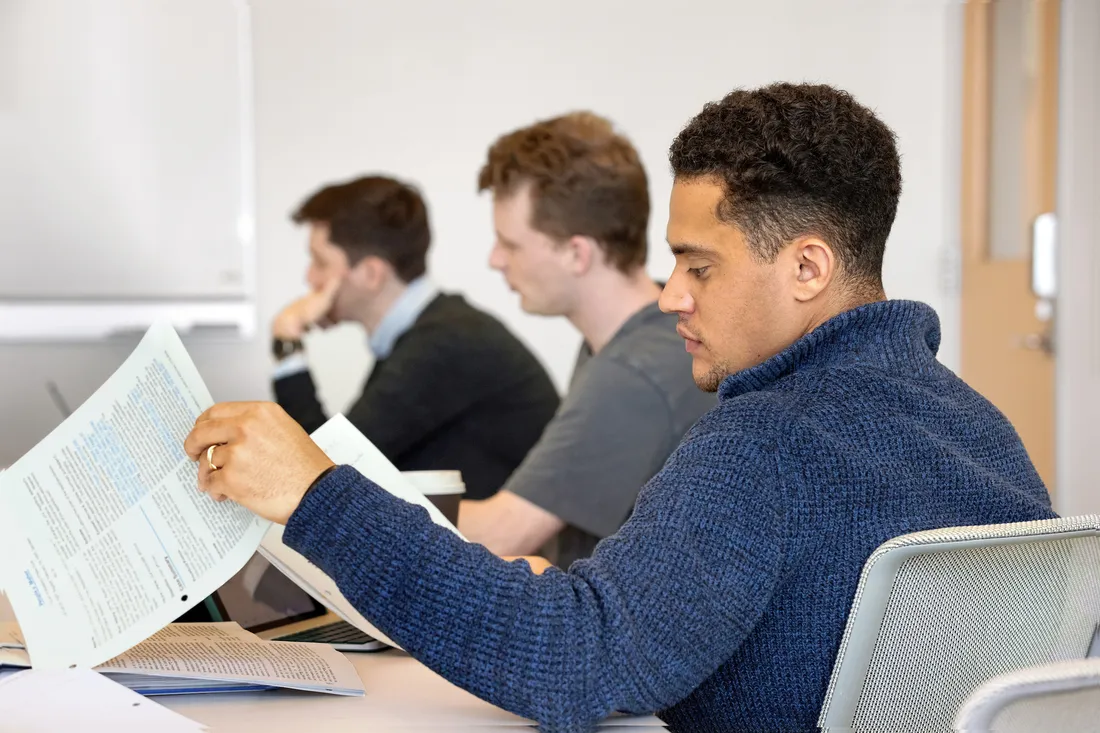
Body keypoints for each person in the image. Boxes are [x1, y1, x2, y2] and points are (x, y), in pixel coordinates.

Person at [186, 84, 1054, 732]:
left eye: (698, 265)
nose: (671, 293)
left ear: (807, 268)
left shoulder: (762, 444)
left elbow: (574, 663)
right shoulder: (985, 431)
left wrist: (317, 496)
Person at [458, 112, 714, 567]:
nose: (495, 260)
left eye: (511, 244)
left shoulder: (635, 373)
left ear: (577, 253)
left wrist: (334, 494)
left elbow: (499, 534)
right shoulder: (639, 343)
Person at [270, 175, 559, 500]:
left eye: (320, 262)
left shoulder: (444, 344)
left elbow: (324, 473)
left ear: (370, 274)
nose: (310, 278)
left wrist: (287, 340)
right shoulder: (434, 332)